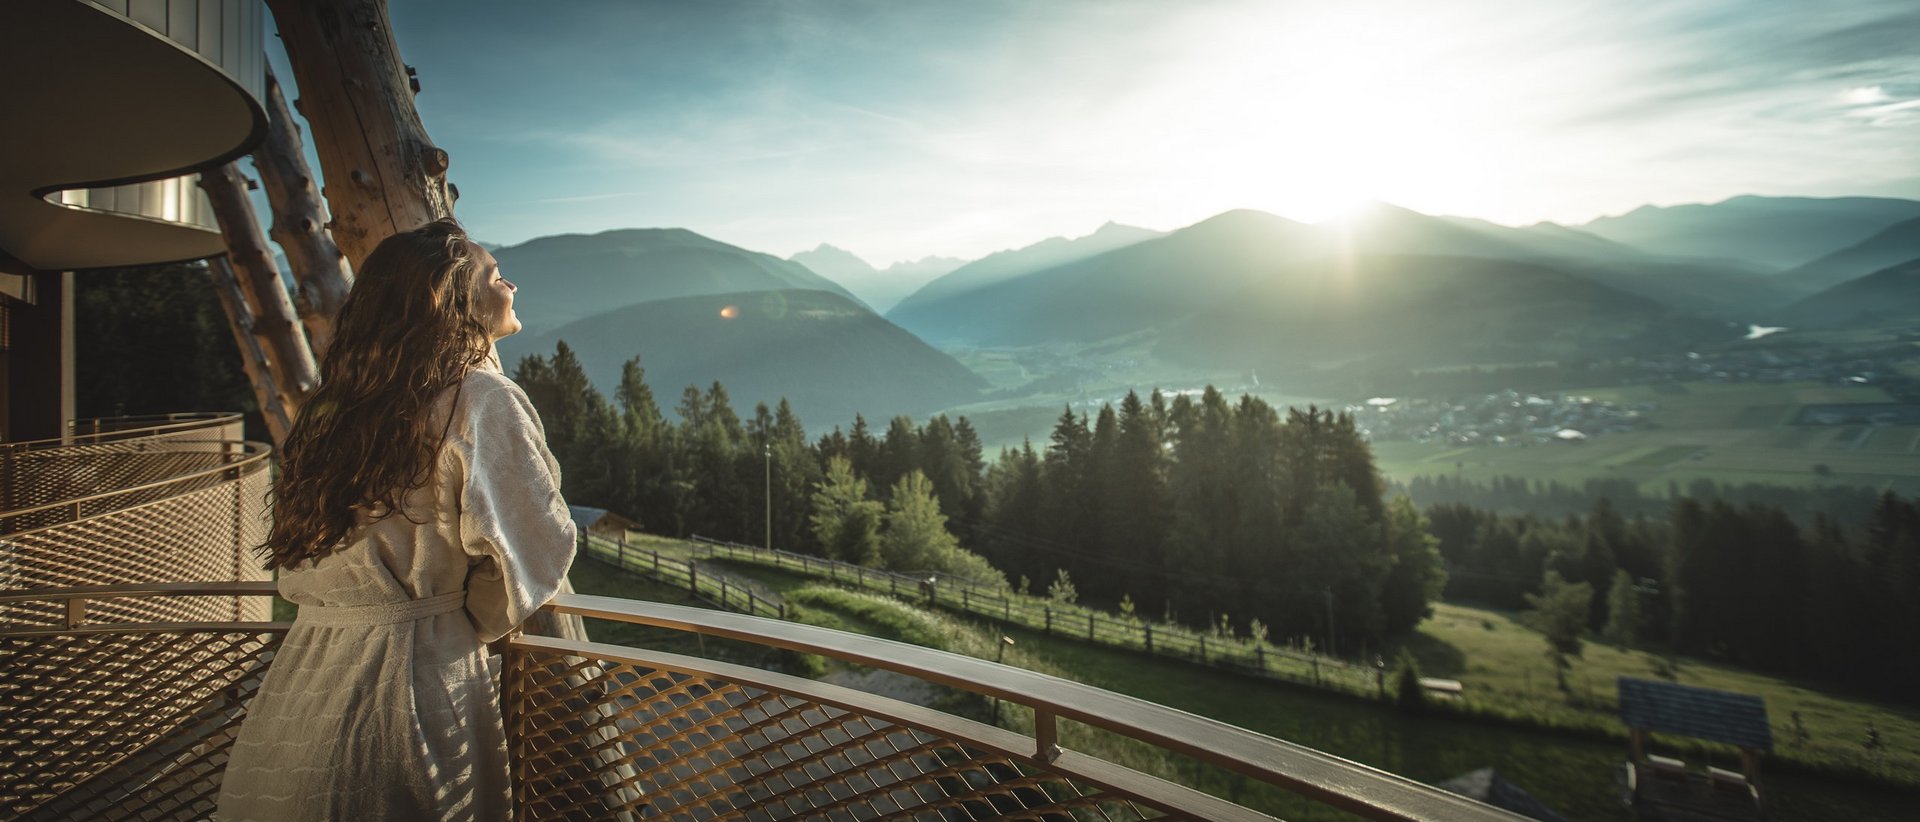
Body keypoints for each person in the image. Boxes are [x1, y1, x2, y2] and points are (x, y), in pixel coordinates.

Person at [218, 219, 580, 820]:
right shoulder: (478, 398)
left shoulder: (340, 405)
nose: (511, 285)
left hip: (303, 678)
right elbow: (531, 541)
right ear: (454, 301)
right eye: (495, 276)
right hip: (413, 682)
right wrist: (459, 621)